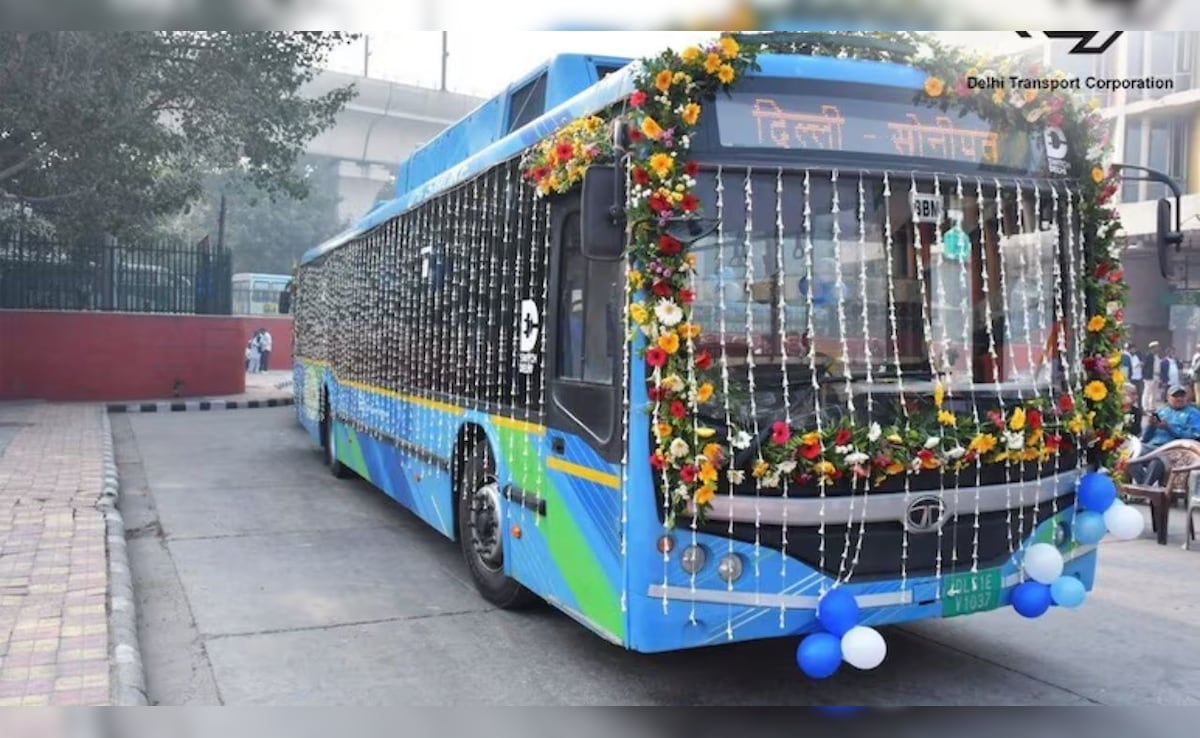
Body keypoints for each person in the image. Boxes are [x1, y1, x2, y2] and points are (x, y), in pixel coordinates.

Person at [1127, 383, 1200, 485]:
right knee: (1131, 456)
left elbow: (1193, 437)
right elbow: (1146, 438)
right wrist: (1151, 425)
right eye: (1175, 396)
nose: (1179, 398)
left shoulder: (1194, 413)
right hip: (1153, 447)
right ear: (1168, 397)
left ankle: (1144, 490)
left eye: (1182, 396)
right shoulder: (1161, 411)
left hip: (1174, 449)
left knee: (1156, 462)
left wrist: (1169, 428)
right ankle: (1143, 488)